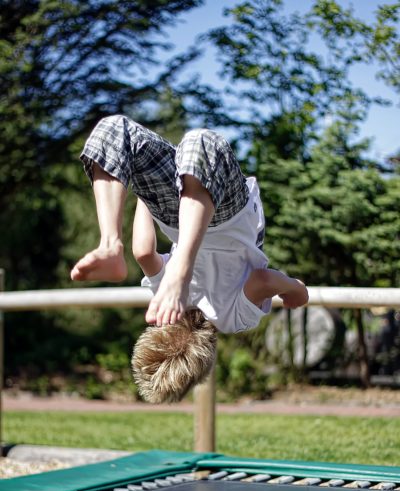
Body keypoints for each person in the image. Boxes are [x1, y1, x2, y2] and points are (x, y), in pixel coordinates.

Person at [71, 115, 308, 402]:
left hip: (227, 216)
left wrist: (296, 290)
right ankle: (110, 243)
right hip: (181, 216)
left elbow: (264, 279)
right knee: (114, 132)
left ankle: (119, 245)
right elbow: (144, 252)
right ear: (158, 330)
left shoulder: (231, 319)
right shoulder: (164, 297)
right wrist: (146, 193)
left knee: (201, 144)